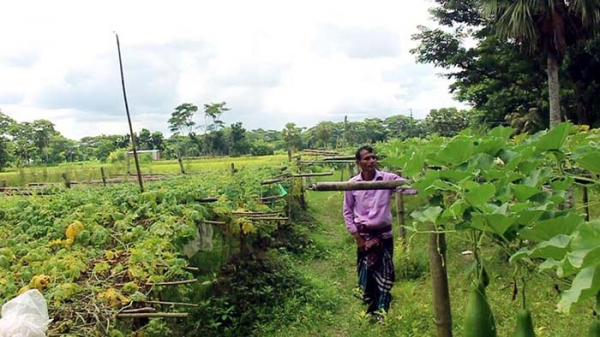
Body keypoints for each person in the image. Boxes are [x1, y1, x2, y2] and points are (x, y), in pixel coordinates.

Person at [342, 145, 417, 321]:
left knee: (385, 274)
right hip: (364, 237)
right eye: (367, 158)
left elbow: (410, 189)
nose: (371, 161)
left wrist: (428, 182)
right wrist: (358, 238)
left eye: (373, 157)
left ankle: (382, 313)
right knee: (367, 275)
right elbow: (347, 211)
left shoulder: (388, 179)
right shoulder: (352, 184)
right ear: (358, 163)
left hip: (384, 236)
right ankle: (370, 310)